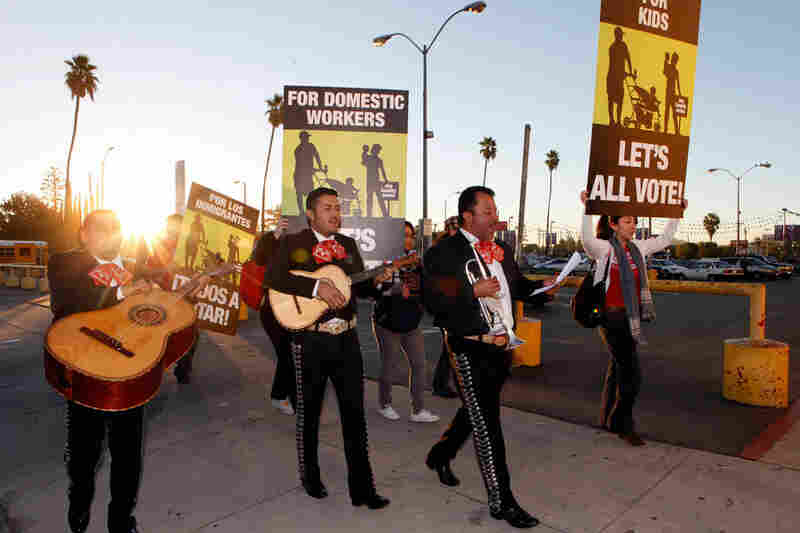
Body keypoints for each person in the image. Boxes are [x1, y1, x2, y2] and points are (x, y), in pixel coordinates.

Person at [48, 210, 202, 533]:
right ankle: (78, 506)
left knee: (128, 459)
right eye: (100, 229)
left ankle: (121, 521)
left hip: (131, 373)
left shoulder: (137, 267)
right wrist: (119, 293)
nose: (109, 234)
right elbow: (65, 304)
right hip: (86, 373)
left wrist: (187, 293)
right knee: (82, 459)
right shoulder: (65, 263)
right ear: (83, 234)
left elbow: (163, 310)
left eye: (115, 228)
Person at [423, 187, 559, 529]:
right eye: (487, 211)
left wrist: (543, 287)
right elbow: (433, 299)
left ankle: (440, 455)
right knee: (489, 425)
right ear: (468, 216)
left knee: (476, 413)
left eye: (495, 210)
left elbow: (518, 287)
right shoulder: (444, 251)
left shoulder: (502, 250)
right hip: (468, 346)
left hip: (502, 346)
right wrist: (471, 291)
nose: (494, 217)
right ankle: (502, 502)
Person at [267, 187, 393, 509]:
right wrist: (315, 286)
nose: (335, 213)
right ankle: (310, 475)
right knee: (308, 413)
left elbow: (359, 288)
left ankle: (362, 490)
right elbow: (275, 278)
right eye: (327, 208)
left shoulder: (348, 245)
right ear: (311, 214)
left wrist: (379, 282)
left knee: (355, 416)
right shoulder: (295, 243)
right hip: (310, 340)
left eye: (338, 208)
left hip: (347, 340)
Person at [579, 190, 686, 446]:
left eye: (635, 221)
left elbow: (666, 239)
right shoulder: (604, 249)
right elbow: (586, 240)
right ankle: (623, 422)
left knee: (619, 368)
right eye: (627, 221)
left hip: (631, 317)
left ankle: (608, 417)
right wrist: (586, 208)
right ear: (613, 224)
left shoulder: (639, 248)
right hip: (610, 318)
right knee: (632, 373)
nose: (633, 226)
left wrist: (676, 213)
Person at [373, 221, 439, 423]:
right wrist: (395, 289)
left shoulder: (418, 263)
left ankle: (418, 410)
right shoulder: (385, 260)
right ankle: (385, 404)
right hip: (388, 324)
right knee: (389, 366)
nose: (408, 239)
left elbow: (424, 288)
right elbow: (375, 289)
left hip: (411, 324)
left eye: (411, 235)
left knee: (420, 365)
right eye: (404, 235)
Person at [146, 213, 199, 384]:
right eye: (171, 226)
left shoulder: (189, 244)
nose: (174, 229)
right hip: (166, 298)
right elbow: (148, 272)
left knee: (191, 335)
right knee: (162, 338)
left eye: (178, 226)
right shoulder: (158, 245)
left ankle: (183, 369)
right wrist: (164, 271)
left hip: (187, 297)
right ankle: (155, 370)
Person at [253, 217, 295, 415]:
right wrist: (275, 234)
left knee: (295, 354)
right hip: (272, 309)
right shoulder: (272, 242)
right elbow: (258, 259)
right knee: (287, 354)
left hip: (295, 309)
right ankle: (279, 396)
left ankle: (290, 395)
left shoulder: (303, 245)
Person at [431, 216, 461, 398]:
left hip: (457, 305)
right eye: (455, 229)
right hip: (448, 306)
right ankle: (441, 384)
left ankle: (441, 384)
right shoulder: (443, 250)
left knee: (451, 349)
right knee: (450, 349)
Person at [607, 26, 633, 127]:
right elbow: (614, 65)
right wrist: (626, 73)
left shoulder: (623, 46)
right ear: (616, 35)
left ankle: (617, 121)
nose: (622, 36)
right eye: (620, 35)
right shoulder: (612, 48)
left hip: (618, 77)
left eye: (622, 35)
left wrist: (630, 72)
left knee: (620, 99)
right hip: (612, 77)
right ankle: (612, 120)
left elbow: (628, 59)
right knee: (611, 99)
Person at [293, 130, 324, 215]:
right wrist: (317, 169)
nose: (307, 139)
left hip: (306, 174)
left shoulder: (311, 146)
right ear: (301, 138)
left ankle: (310, 211)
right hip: (299, 175)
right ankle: (301, 212)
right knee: (299, 193)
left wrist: (320, 167)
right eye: (305, 137)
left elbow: (317, 156)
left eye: (307, 137)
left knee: (310, 192)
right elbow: (302, 164)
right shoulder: (298, 150)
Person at [363, 143, 389, 218]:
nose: (378, 151)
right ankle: (369, 215)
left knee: (379, 198)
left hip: (375, 181)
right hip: (370, 181)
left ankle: (385, 215)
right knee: (370, 198)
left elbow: (382, 170)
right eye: (377, 150)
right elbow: (363, 159)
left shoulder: (378, 160)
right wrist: (364, 151)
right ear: (374, 150)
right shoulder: (368, 158)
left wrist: (385, 179)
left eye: (379, 150)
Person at [662, 51, 682, 134]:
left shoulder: (676, 71)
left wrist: (680, 93)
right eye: (674, 59)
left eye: (676, 60)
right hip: (668, 92)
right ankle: (665, 130)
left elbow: (678, 83)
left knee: (674, 113)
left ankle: (676, 131)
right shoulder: (669, 67)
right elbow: (664, 71)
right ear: (672, 60)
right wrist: (665, 60)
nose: (675, 61)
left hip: (673, 93)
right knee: (667, 111)